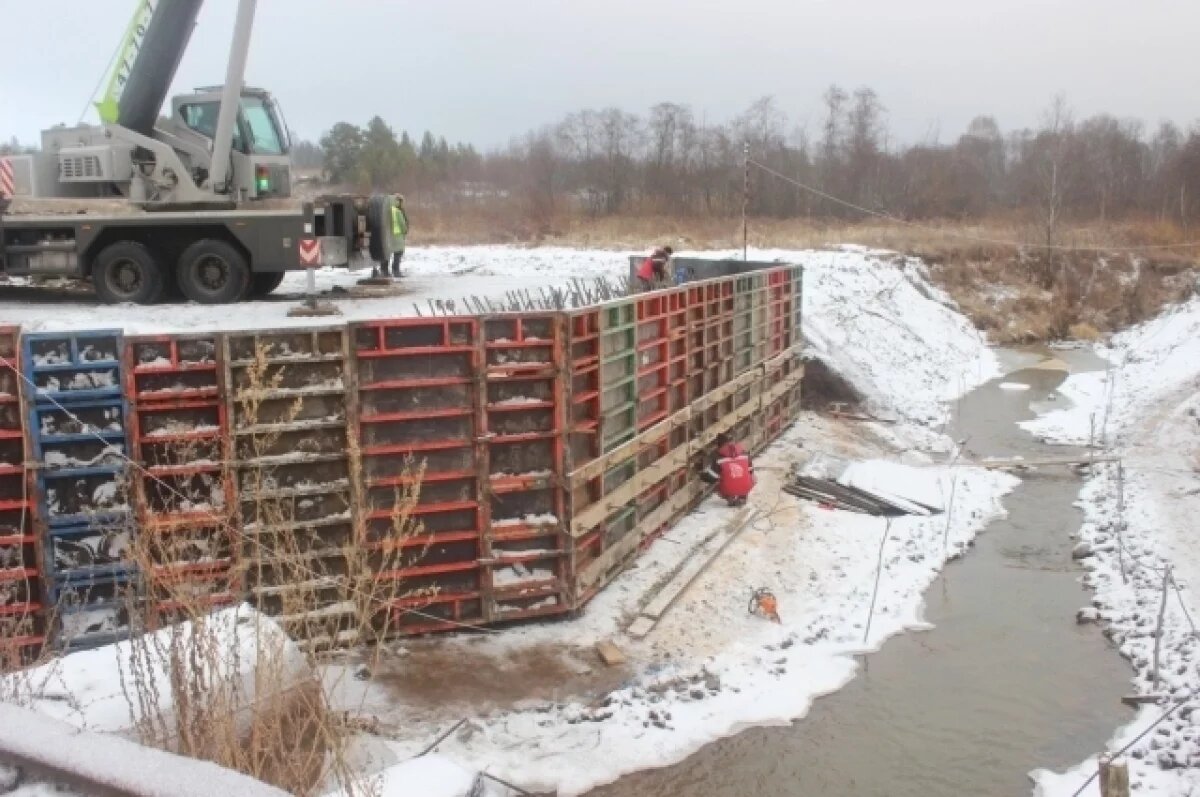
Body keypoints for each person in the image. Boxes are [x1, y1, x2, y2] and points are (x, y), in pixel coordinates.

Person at [701, 432, 756, 506]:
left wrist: (701, 475)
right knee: (749, 476)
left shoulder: (718, 457)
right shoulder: (744, 453)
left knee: (718, 479)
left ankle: (730, 496)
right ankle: (742, 496)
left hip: (728, 489)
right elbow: (751, 471)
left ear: (719, 445)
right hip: (746, 487)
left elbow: (712, 478)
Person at [389, 194, 409, 278]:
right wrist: (405, 231)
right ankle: (396, 271)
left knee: (387, 253)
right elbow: (402, 224)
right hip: (397, 235)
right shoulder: (397, 211)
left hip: (387, 235)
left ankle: (384, 270)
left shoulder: (387, 209)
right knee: (398, 253)